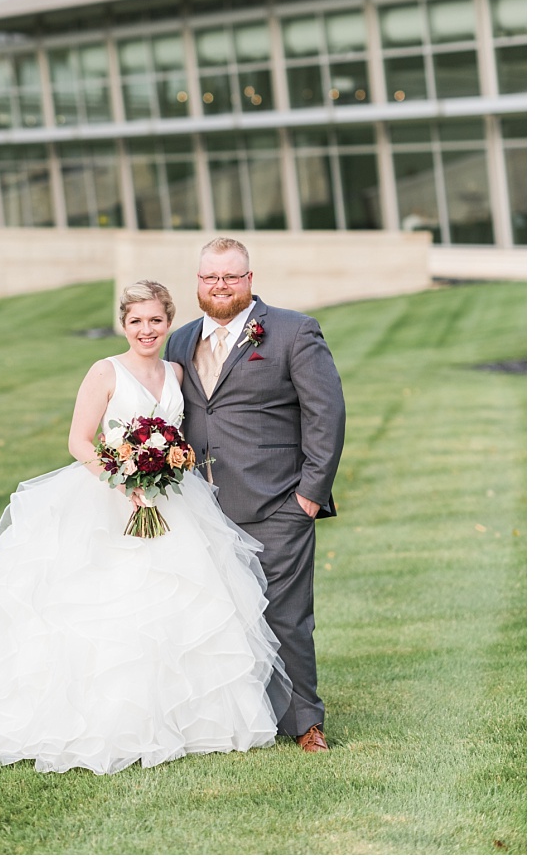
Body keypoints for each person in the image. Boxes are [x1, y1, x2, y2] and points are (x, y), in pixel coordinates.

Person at [0, 281, 291, 774]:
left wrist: (169, 464)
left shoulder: (177, 371)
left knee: (180, 606)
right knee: (111, 610)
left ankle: (185, 720)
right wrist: (124, 483)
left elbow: (182, 433)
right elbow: (79, 440)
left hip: (174, 501)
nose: (146, 330)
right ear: (124, 324)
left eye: (156, 320)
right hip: (110, 500)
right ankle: (109, 721)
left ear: (168, 322)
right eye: (136, 321)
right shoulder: (105, 371)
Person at [165, 238, 345, 753]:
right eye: (209, 278)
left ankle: (305, 723)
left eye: (230, 277)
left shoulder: (293, 331)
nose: (219, 286)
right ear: (198, 281)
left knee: (285, 617)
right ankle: (222, 719)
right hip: (199, 509)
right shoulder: (179, 342)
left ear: (249, 279)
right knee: (211, 618)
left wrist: (308, 496)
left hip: (276, 505)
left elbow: (326, 415)